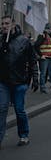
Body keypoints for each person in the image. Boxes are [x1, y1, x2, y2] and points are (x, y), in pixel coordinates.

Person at [0, 16, 38, 148]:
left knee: (19, 109)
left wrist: (35, 78)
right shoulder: (1, 40)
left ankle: (23, 135)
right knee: (2, 108)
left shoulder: (24, 41)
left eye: (7, 23)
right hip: (3, 81)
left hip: (19, 81)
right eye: (2, 24)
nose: (4, 26)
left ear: (13, 24)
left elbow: (33, 60)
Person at [34, 23, 51, 94]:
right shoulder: (42, 36)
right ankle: (43, 88)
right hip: (45, 57)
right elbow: (36, 45)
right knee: (43, 73)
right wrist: (41, 55)